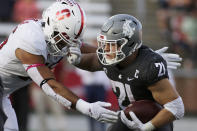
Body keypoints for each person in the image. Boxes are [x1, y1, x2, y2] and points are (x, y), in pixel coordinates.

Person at [0, 1, 119, 130]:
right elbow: (50, 86)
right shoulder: (30, 39)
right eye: (63, 40)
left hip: (3, 93)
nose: (66, 46)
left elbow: (81, 46)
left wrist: (112, 55)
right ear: (51, 25)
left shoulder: (58, 37)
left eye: (70, 41)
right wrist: (86, 107)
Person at [70, 14, 184, 131]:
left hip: (153, 121)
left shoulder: (147, 66)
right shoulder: (111, 58)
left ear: (129, 44)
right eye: (105, 44)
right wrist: (75, 59)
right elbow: (91, 62)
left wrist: (146, 128)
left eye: (111, 44)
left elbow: (176, 107)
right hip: (126, 118)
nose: (105, 49)